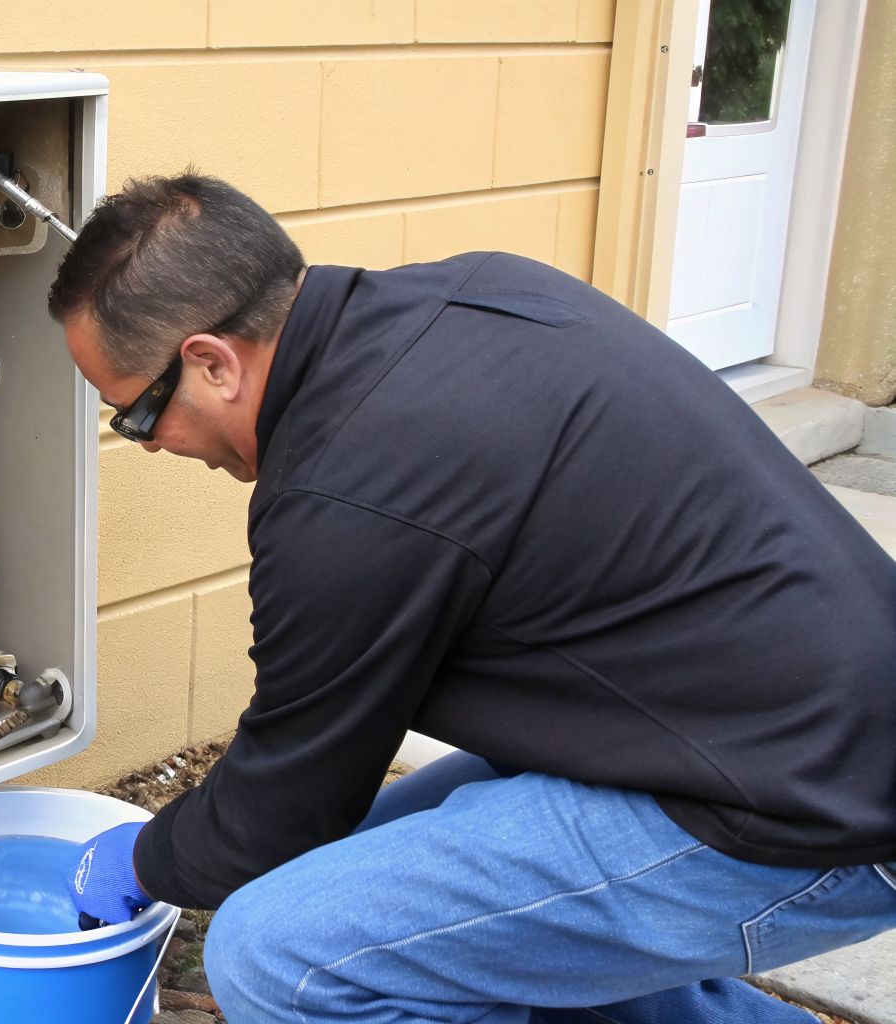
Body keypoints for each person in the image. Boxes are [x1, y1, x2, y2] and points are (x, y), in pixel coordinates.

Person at [53, 173, 896, 1023]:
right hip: (773, 724)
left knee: (285, 957)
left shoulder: (346, 496)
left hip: (804, 804)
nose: (147, 446)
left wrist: (150, 857)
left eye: (135, 416)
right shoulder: (478, 291)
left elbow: (283, 803)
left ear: (212, 362)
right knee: (382, 898)